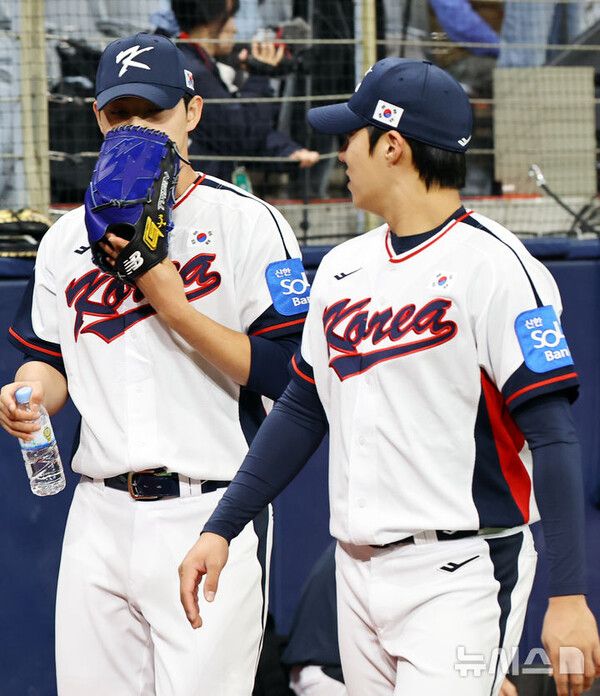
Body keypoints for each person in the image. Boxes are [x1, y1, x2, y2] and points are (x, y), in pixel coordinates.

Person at [176, 57, 600, 696]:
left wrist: (568, 594)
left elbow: (554, 435)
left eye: (351, 136)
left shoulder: (498, 268)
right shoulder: (343, 267)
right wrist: (222, 526)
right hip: (356, 572)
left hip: (462, 569)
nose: (340, 151)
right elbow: (300, 410)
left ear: (393, 146)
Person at [0, 32, 309, 696]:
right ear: (97, 118)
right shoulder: (64, 239)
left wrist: (175, 307)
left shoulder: (249, 223)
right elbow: (47, 360)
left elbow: (290, 376)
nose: (136, 129)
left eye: (154, 112)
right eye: (121, 114)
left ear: (193, 113)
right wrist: (27, 396)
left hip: (208, 507)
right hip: (98, 512)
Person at [171, 0, 318, 184]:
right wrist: (260, 74)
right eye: (230, 18)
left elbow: (233, 128)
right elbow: (240, 135)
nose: (235, 29)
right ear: (212, 21)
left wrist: (287, 151)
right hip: (199, 187)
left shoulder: (188, 60)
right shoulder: (194, 72)